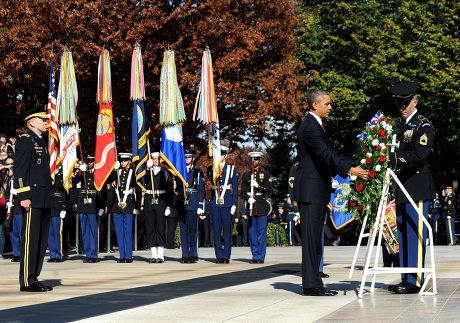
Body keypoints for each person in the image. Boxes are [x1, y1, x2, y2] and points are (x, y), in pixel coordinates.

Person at [292, 89, 367, 297]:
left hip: (316, 189)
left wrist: (350, 164)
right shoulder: (310, 127)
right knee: (311, 239)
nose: (330, 107)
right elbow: (325, 154)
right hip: (311, 190)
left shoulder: (315, 125)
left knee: (316, 238)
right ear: (315, 105)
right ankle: (311, 285)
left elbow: (328, 155)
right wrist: (350, 169)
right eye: (327, 103)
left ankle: (315, 282)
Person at [387, 81, 435, 294]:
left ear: (415, 101)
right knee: (404, 233)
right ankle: (406, 277)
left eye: (405, 102)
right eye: (399, 103)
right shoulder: (400, 126)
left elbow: (420, 155)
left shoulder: (422, 125)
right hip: (402, 185)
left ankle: (415, 280)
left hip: (416, 185)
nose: (402, 106)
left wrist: (394, 159)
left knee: (415, 233)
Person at [13, 108, 55, 292]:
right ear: (31, 123)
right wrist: (23, 196)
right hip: (31, 198)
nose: (46, 122)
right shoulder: (25, 141)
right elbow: (20, 171)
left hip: (43, 197)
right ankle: (27, 280)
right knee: (30, 240)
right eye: (42, 119)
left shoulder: (40, 142)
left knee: (40, 240)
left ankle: (34, 277)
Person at [207, 139, 238, 264]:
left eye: (221, 154)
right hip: (215, 201)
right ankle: (219, 255)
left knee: (227, 230)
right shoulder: (212, 168)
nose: (219, 156)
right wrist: (216, 168)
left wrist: (234, 204)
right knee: (216, 230)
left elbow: (235, 188)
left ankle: (226, 256)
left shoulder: (231, 169)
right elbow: (210, 178)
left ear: (225, 155)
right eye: (217, 154)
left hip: (226, 202)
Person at [241, 151, 272, 264]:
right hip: (251, 206)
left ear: (259, 161)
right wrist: (247, 198)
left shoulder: (265, 174)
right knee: (252, 232)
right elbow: (243, 192)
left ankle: (260, 256)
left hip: (261, 206)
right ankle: (255, 255)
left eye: (256, 159)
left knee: (261, 232)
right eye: (252, 160)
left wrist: (258, 186)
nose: (254, 161)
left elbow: (269, 190)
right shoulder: (246, 175)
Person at [107, 153, 138, 263]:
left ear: (129, 161)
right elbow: (108, 181)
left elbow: (138, 186)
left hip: (129, 204)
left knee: (128, 231)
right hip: (117, 204)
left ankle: (128, 256)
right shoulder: (117, 172)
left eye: (125, 161)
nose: (123, 163)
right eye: (121, 161)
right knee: (119, 232)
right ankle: (122, 256)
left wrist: (138, 205)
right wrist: (112, 170)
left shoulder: (133, 173)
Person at [143, 152, 174, 263]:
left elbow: (170, 189)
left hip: (161, 200)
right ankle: (153, 254)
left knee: (160, 227)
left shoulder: (165, 171)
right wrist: (147, 169)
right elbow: (142, 182)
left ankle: (160, 254)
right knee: (150, 227)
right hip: (149, 199)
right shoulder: (147, 171)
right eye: (154, 159)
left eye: (157, 159)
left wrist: (169, 206)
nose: (155, 161)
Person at [179, 147, 205, 263]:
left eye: (189, 157)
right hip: (182, 204)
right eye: (185, 157)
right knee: (183, 230)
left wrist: (200, 205)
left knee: (193, 230)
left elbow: (201, 190)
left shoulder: (198, 172)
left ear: (193, 158)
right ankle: (185, 254)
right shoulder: (179, 171)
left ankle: (193, 253)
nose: (187, 159)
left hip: (193, 203)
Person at [73, 155, 102, 263]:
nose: (89, 163)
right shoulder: (82, 173)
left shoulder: (97, 173)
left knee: (93, 230)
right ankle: (88, 254)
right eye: (87, 161)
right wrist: (80, 171)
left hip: (93, 204)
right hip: (82, 203)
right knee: (85, 231)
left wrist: (102, 206)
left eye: (91, 161)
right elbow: (75, 182)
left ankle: (94, 254)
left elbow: (101, 189)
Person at [4, 157, 22, 262]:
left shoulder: (19, 177)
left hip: (19, 207)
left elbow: (24, 190)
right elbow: (7, 192)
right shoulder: (10, 179)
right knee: (12, 231)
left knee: (20, 231)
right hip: (11, 208)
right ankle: (16, 253)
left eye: (12, 164)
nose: (10, 167)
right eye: (8, 165)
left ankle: (23, 253)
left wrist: (17, 194)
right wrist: (8, 200)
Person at [47, 166, 66, 262]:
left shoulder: (62, 176)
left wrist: (63, 207)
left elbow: (62, 190)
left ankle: (58, 254)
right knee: (50, 234)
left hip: (58, 208)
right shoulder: (47, 174)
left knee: (57, 233)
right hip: (48, 207)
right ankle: (52, 254)